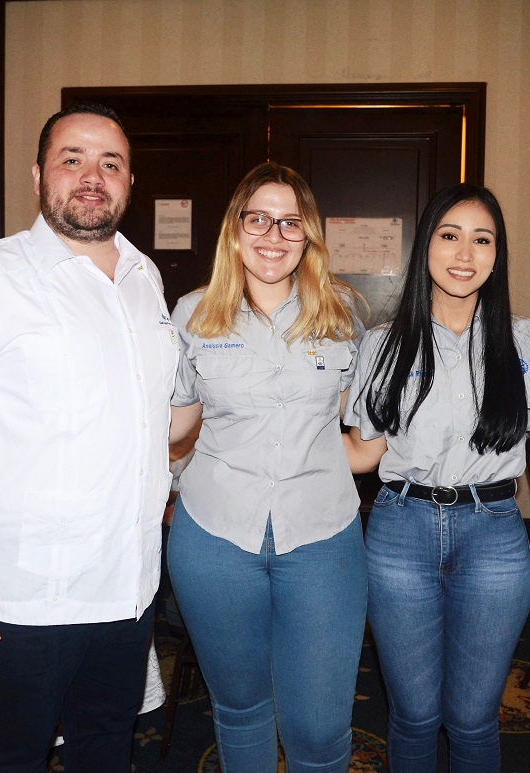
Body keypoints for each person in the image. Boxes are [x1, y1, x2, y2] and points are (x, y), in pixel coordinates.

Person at [0, 102, 179, 773]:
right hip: (25, 598)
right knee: (13, 758)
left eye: (110, 163)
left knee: (106, 751)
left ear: (129, 182)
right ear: (37, 175)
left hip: (128, 590)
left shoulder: (146, 279)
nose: (91, 175)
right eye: (71, 159)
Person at [166, 162, 367, 773]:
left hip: (323, 535)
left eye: (290, 222)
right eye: (259, 219)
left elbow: (363, 427)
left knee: (321, 728)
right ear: (235, 229)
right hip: (214, 535)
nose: (273, 235)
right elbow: (174, 427)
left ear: (307, 236)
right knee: (241, 708)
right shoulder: (193, 314)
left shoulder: (344, 314)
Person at [343, 183, 530, 772]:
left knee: (474, 718)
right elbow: (363, 455)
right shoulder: (382, 344)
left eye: (482, 240)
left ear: (498, 254)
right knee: (414, 716)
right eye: (449, 236)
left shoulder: (529, 341)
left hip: (497, 533)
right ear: (426, 244)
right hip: (401, 531)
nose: (464, 253)